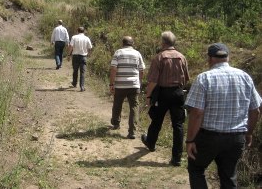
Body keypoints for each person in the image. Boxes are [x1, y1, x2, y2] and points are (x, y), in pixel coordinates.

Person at [185, 43, 261, 189]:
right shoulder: (245, 77)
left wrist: (190, 140)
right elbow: (256, 110)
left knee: (196, 169)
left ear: (210, 59)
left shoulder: (204, 78)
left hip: (209, 137)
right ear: (227, 57)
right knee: (229, 175)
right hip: (236, 137)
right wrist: (249, 133)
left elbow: (197, 114)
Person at [141, 31, 190, 167]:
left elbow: (153, 81)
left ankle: (151, 143)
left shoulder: (159, 57)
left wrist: (148, 95)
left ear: (163, 42)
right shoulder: (182, 57)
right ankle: (177, 158)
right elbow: (186, 78)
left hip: (163, 93)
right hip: (178, 93)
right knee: (178, 125)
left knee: (157, 120)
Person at [109, 36, 145, 139]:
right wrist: (139, 82)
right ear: (132, 43)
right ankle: (132, 132)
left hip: (120, 84)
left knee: (117, 103)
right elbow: (141, 70)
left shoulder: (118, 53)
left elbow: (113, 69)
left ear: (122, 43)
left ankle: (116, 123)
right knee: (134, 107)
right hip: (134, 84)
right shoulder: (137, 54)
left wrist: (111, 84)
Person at [68, 26, 92, 91]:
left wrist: (69, 55)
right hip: (83, 57)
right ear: (84, 31)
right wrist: (89, 55)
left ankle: (74, 83)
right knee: (82, 72)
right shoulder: (87, 38)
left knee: (75, 70)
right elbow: (90, 48)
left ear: (77, 31)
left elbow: (71, 46)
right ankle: (82, 86)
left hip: (75, 56)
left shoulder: (74, 37)